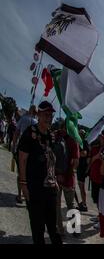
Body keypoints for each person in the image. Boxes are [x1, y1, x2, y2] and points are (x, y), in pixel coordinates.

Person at [17, 101, 62, 244]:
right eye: (46, 115)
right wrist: (23, 184)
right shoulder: (29, 133)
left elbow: (51, 160)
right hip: (34, 188)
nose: (49, 118)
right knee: (38, 229)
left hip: (50, 189)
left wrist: (54, 179)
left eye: (51, 115)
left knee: (53, 229)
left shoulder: (51, 136)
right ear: (39, 115)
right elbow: (22, 160)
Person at [53, 120, 80, 236]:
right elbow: (76, 162)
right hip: (68, 178)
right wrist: (70, 172)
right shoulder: (73, 139)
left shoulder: (54, 135)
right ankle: (75, 229)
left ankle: (60, 230)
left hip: (55, 176)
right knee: (71, 205)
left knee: (56, 205)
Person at [12, 105, 37, 205]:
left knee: (21, 172)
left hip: (22, 148)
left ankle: (19, 195)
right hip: (33, 152)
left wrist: (13, 146)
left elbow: (16, 133)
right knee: (30, 174)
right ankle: (27, 196)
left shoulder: (23, 119)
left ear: (29, 110)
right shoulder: (36, 122)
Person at [77, 130, 90, 212]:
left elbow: (84, 153)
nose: (80, 135)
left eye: (81, 134)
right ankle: (83, 202)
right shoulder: (80, 142)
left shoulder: (84, 142)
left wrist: (76, 152)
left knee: (81, 186)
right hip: (80, 167)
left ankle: (84, 204)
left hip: (82, 167)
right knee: (80, 185)